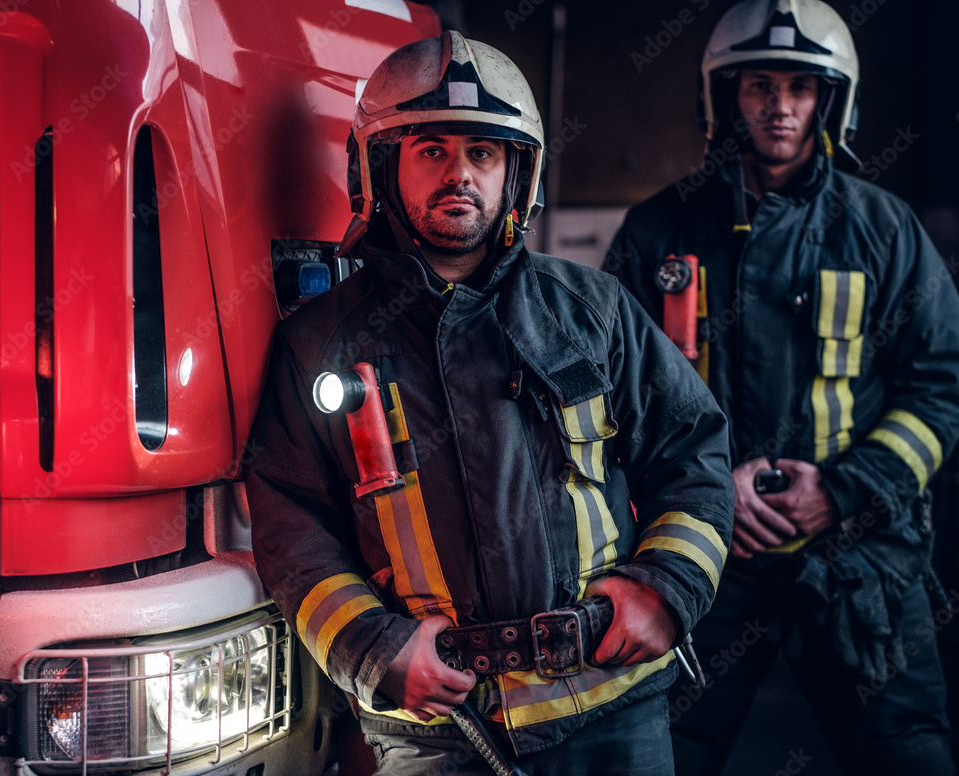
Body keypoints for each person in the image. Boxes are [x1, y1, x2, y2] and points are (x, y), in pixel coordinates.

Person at [247, 30, 734, 775]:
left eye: (483, 154)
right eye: (432, 150)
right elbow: (290, 522)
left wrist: (666, 589)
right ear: (381, 166)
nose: (460, 175)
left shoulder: (593, 311)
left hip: (614, 709)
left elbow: (693, 450)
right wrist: (374, 647)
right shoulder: (320, 342)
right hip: (439, 730)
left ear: (517, 172)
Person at [603, 1, 959, 774]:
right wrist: (706, 494)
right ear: (723, 96)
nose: (780, 107)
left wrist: (843, 488)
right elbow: (606, 405)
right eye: (758, 85)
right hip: (702, 556)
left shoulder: (885, 231)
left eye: (800, 87)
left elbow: (939, 390)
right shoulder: (657, 233)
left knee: (909, 758)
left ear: (833, 99)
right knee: (657, 755)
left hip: (856, 555)